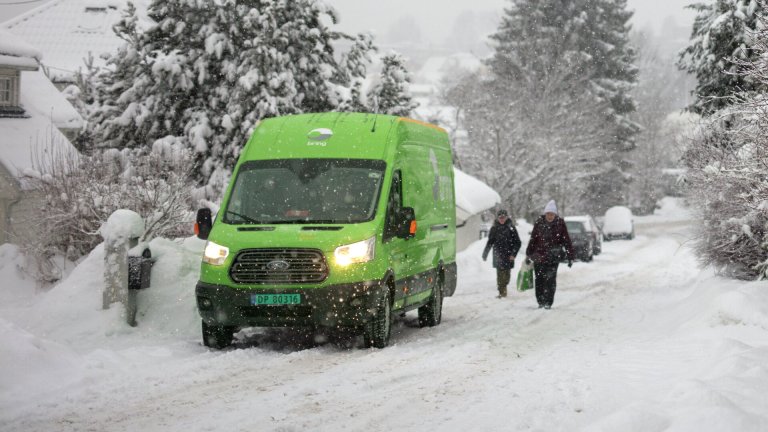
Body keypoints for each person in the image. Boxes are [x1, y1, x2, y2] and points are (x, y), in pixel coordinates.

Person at [525, 200, 574, 309]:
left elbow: (566, 240)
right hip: (539, 256)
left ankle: (548, 302)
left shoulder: (560, 224)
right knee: (539, 280)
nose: (550, 216)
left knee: (550, 280)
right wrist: (529, 254)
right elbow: (533, 239)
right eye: (548, 214)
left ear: (555, 214)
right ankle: (540, 301)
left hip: (553, 257)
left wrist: (570, 256)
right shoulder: (539, 223)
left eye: (552, 214)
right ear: (545, 214)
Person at [482, 209, 522, 298]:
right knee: (500, 275)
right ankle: (502, 292)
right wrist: (485, 254)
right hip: (498, 255)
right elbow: (490, 242)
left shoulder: (511, 228)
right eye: (500, 217)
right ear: (497, 218)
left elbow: (518, 242)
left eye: (503, 217)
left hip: (509, 255)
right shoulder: (494, 228)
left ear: (506, 217)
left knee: (506, 277)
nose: (502, 219)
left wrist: (513, 254)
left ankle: (503, 286)